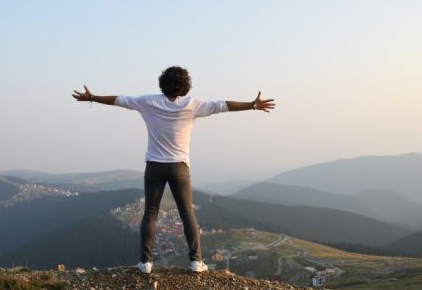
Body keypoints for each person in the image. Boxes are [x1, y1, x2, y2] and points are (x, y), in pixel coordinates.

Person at [72, 66, 275, 274]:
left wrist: (92, 98)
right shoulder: (192, 105)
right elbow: (223, 105)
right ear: (186, 85)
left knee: (150, 213)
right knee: (187, 213)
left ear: (162, 83)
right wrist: (252, 105)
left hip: (154, 166)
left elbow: (119, 100)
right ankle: (196, 262)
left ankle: (145, 263)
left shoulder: (147, 102)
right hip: (179, 167)